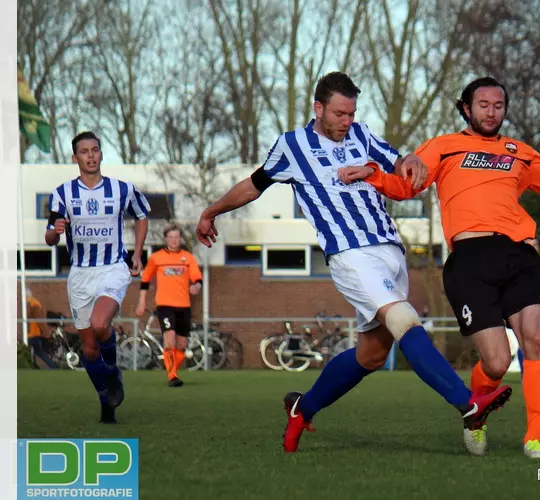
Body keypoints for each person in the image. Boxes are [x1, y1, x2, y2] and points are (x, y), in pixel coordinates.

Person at [195, 71, 512, 455]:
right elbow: (253, 185)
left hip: (390, 250)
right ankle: (468, 405)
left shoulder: (362, 135)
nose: (347, 122)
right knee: (404, 319)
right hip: (349, 254)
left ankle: (302, 408)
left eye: (352, 113)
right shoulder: (292, 146)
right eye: (340, 114)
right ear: (319, 108)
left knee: (372, 354)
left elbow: (399, 163)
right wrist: (211, 211)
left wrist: (411, 159)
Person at [337, 76, 540, 458]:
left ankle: (534, 440)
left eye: (498, 106)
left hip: (519, 255)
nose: (491, 112)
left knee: (537, 338)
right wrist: (375, 175)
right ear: (466, 108)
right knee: (497, 361)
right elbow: (407, 184)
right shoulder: (444, 147)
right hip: (470, 261)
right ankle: (475, 415)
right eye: (483, 105)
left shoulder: (520, 153)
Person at [45, 131, 150, 424]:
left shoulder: (121, 189)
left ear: (101, 154)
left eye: (95, 150)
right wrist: (56, 230)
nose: (90, 156)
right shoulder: (62, 194)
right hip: (80, 274)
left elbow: (142, 216)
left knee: (101, 324)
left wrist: (138, 254)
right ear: (75, 157)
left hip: (112, 268)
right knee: (89, 348)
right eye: (84, 151)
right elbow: (50, 237)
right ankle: (105, 399)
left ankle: (114, 371)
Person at [136, 224, 203, 387]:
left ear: (180, 239)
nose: (174, 240)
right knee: (170, 340)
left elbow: (197, 277)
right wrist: (142, 301)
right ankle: (172, 376)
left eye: (176, 237)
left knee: (181, 345)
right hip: (165, 305)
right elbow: (145, 280)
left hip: (184, 306)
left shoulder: (188, 258)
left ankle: (172, 371)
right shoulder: (156, 258)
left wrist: (197, 286)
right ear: (166, 239)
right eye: (171, 237)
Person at [516, 237, 540, 375]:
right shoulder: (516, 264)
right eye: (530, 245)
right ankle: (527, 372)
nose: (533, 247)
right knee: (524, 341)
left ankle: (539, 372)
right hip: (521, 307)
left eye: (535, 244)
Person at [26, 288, 56, 369]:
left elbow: (38, 319)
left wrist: (45, 332)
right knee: (39, 352)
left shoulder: (33, 304)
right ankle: (53, 367)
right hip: (35, 333)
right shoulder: (34, 303)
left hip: (32, 334)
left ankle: (31, 367)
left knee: (25, 351)